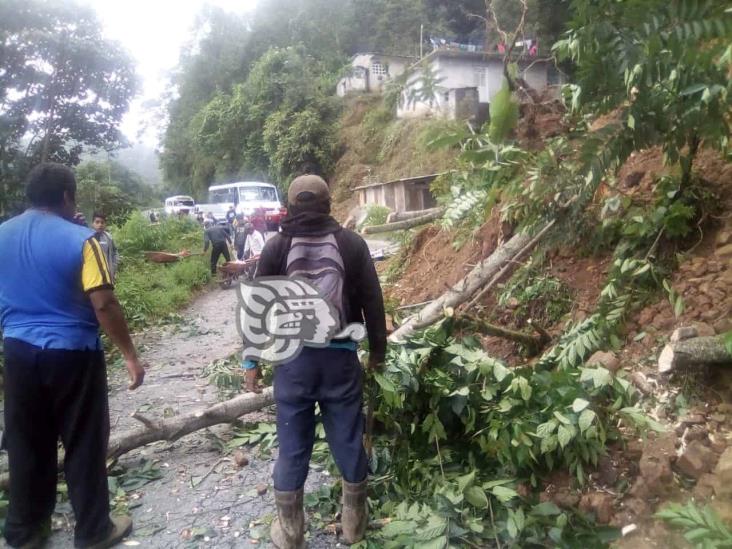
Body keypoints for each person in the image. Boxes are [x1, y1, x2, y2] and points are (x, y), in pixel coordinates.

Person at [0, 163, 146, 549]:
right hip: (73, 355)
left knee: (26, 441)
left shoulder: (1, 235)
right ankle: (94, 530)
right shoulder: (85, 240)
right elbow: (104, 304)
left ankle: (23, 531)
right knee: (83, 440)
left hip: (17, 352)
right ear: (67, 197)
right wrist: (130, 355)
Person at [253, 175, 386, 548]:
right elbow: (374, 303)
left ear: (291, 207)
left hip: (293, 363)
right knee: (347, 438)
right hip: (341, 362)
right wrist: (378, 354)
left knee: (293, 445)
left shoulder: (276, 247)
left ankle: (292, 534)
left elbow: (258, 309)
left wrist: (253, 363)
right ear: (329, 204)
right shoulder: (351, 244)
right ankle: (353, 526)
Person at [92, 212, 119, 282]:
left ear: (105, 224)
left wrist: (113, 267)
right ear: (92, 224)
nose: (100, 225)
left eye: (102, 222)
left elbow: (115, 252)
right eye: (97, 222)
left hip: (108, 274)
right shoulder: (88, 237)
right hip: (93, 275)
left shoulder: (109, 237)